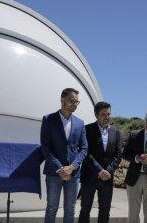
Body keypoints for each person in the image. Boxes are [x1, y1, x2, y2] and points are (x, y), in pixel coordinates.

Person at [40, 88, 88, 223]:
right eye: (71, 101)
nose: (74, 104)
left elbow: (84, 148)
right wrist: (60, 168)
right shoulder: (48, 119)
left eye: (77, 102)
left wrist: (72, 167)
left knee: (70, 209)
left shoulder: (80, 123)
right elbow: (45, 147)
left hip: (73, 173)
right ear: (62, 100)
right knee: (51, 208)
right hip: (54, 172)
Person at [79, 101, 123, 223]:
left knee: (105, 210)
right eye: (103, 114)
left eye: (108, 114)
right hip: (89, 176)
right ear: (96, 114)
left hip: (107, 178)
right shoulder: (87, 129)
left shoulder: (116, 132)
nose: (107, 117)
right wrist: (100, 170)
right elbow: (86, 152)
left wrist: (108, 171)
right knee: (85, 209)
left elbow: (118, 155)